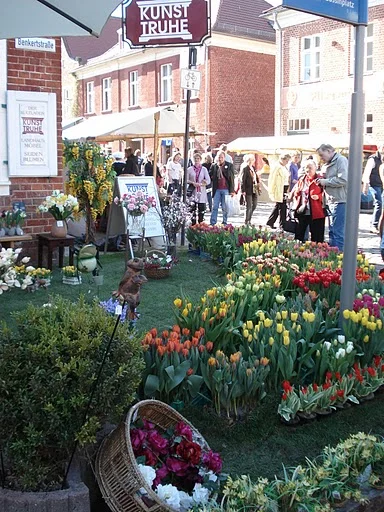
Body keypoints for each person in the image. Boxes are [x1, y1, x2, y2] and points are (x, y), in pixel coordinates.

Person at [316, 143, 348, 251]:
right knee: (332, 230)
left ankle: (338, 256)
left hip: (339, 200)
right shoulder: (328, 163)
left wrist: (325, 181)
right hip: (330, 200)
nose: (321, 158)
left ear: (329, 151)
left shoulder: (341, 160)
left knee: (337, 231)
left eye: (322, 155)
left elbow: (343, 179)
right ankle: (333, 254)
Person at [289, 160, 326, 243]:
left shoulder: (320, 180)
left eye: (310, 168)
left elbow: (326, 194)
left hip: (317, 212)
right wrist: (296, 195)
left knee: (317, 238)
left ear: (315, 168)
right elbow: (296, 193)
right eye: (306, 168)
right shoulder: (302, 180)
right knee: (299, 236)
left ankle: (317, 254)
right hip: (302, 211)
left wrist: (319, 196)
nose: (308, 170)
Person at [362, 143, 384, 234]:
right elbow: (367, 172)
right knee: (379, 203)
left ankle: (379, 224)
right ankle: (374, 225)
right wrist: (365, 185)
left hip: (381, 184)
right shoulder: (373, 158)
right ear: (379, 148)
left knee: (381, 204)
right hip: (374, 184)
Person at [266, 153, 291, 230]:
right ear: (282, 159)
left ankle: (271, 221)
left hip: (285, 187)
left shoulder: (285, 167)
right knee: (282, 206)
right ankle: (282, 224)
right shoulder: (277, 167)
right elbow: (272, 180)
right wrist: (272, 190)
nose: (287, 162)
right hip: (279, 188)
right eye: (286, 160)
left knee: (279, 206)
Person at [210, 150, 235, 226]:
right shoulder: (214, 166)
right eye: (219, 157)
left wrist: (232, 190)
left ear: (224, 158)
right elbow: (209, 175)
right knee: (215, 206)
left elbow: (231, 178)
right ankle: (213, 222)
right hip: (217, 189)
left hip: (226, 189)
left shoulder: (229, 165)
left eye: (221, 157)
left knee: (225, 207)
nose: (220, 159)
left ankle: (224, 221)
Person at [187, 152, 211, 225]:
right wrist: (192, 183)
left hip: (201, 191)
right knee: (192, 210)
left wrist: (204, 182)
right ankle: (193, 225)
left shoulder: (204, 169)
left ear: (200, 159)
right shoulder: (189, 169)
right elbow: (185, 180)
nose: (196, 160)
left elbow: (208, 180)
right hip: (193, 191)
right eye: (195, 159)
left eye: (198, 158)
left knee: (201, 210)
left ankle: (201, 225)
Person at [241, 153, 261, 225]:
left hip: (254, 188)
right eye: (251, 160)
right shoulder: (245, 169)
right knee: (248, 205)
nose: (252, 161)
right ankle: (247, 220)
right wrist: (243, 190)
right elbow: (242, 180)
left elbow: (256, 178)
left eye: (253, 160)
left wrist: (258, 184)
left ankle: (249, 217)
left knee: (254, 204)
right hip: (248, 189)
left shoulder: (253, 168)